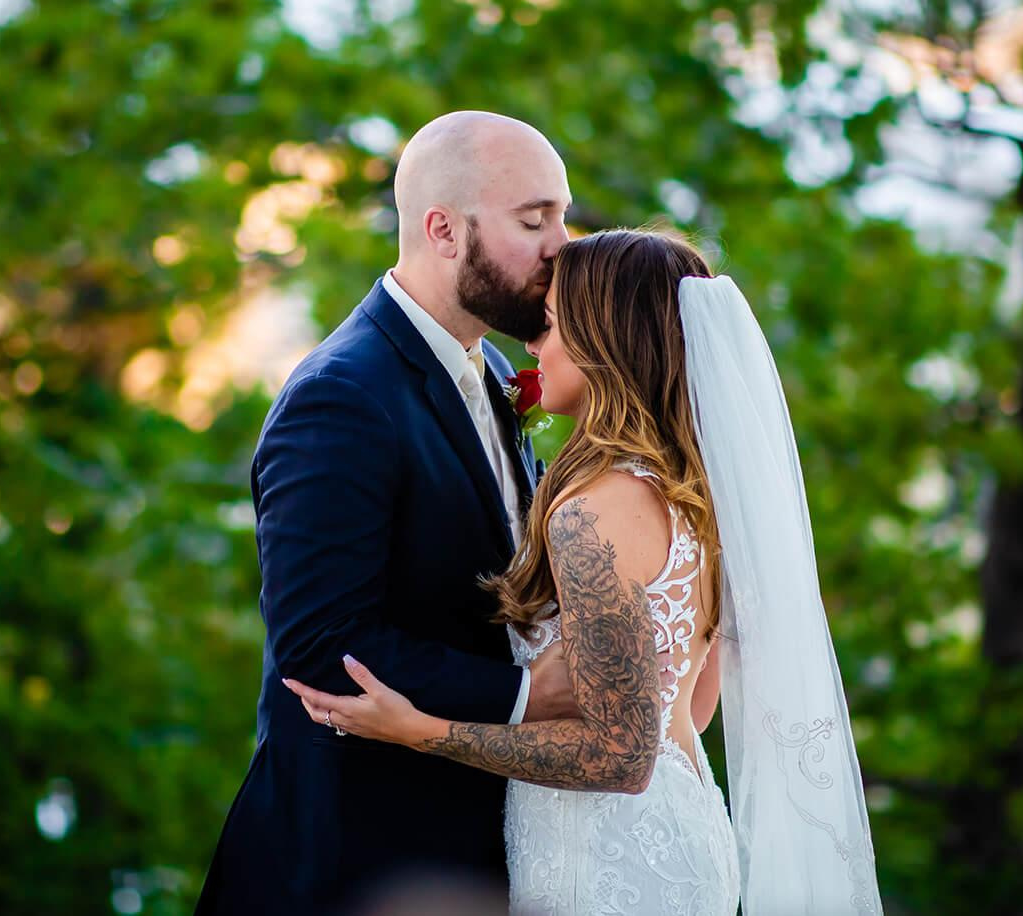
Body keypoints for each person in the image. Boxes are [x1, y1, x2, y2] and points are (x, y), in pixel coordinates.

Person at [287, 229, 885, 914]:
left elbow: (621, 758)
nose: (532, 347)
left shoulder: (595, 513)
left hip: (608, 863)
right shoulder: (692, 493)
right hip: (682, 828)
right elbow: (689, 707)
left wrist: (416, 730)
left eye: (547, 324)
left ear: (605, 338)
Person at [194, 111, 581, 914]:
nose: (562, 245)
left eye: (563, 216)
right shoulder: (341, 396)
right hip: (354, 859)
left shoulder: (500, 369)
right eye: (534, 219)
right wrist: (524, 695)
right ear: (442, 229)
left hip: (473, 850)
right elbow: (322, 646)